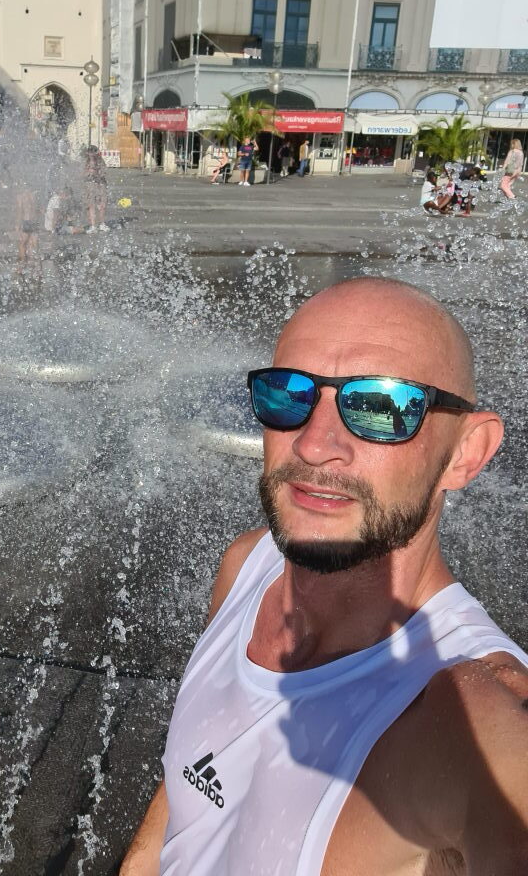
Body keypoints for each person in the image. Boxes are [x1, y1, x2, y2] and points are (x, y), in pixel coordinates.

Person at [121, 277, 528, 876]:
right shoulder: (246, 568)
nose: (314, 445)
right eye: (289, 395)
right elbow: (184, 797)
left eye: (381, 407)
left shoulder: (471, 715)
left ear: (466, 452)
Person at [13, 180, 41, 274]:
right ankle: (37, 268)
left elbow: (20, 211)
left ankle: (22, 266)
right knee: (34, 243)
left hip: (26, 221)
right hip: (34, 222)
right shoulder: (34, 196)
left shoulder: (20, 197)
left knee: (22, 243)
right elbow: (37, 209)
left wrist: (17, 224)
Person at [84, 145, 109, 232]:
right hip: (90, 185)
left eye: (93, 153)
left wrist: (97, 173)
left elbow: (104, 172)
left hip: (101, 185)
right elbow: (80, 174)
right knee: (91, 205)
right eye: (90, 153)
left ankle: (102, 224)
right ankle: (93, 225)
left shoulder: (100, 161)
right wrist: (88, 173)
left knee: (102, 205)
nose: (91, 155)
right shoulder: (85, 162)